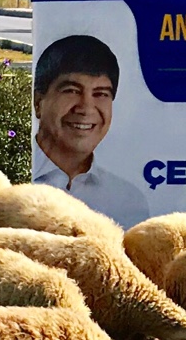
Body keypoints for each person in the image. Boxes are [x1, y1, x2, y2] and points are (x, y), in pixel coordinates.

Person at [30, 33, 152, 228]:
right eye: (71, 90)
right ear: (38, 102)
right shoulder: (10, 179)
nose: (86, 108)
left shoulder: (127, 200)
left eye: (100, 94)